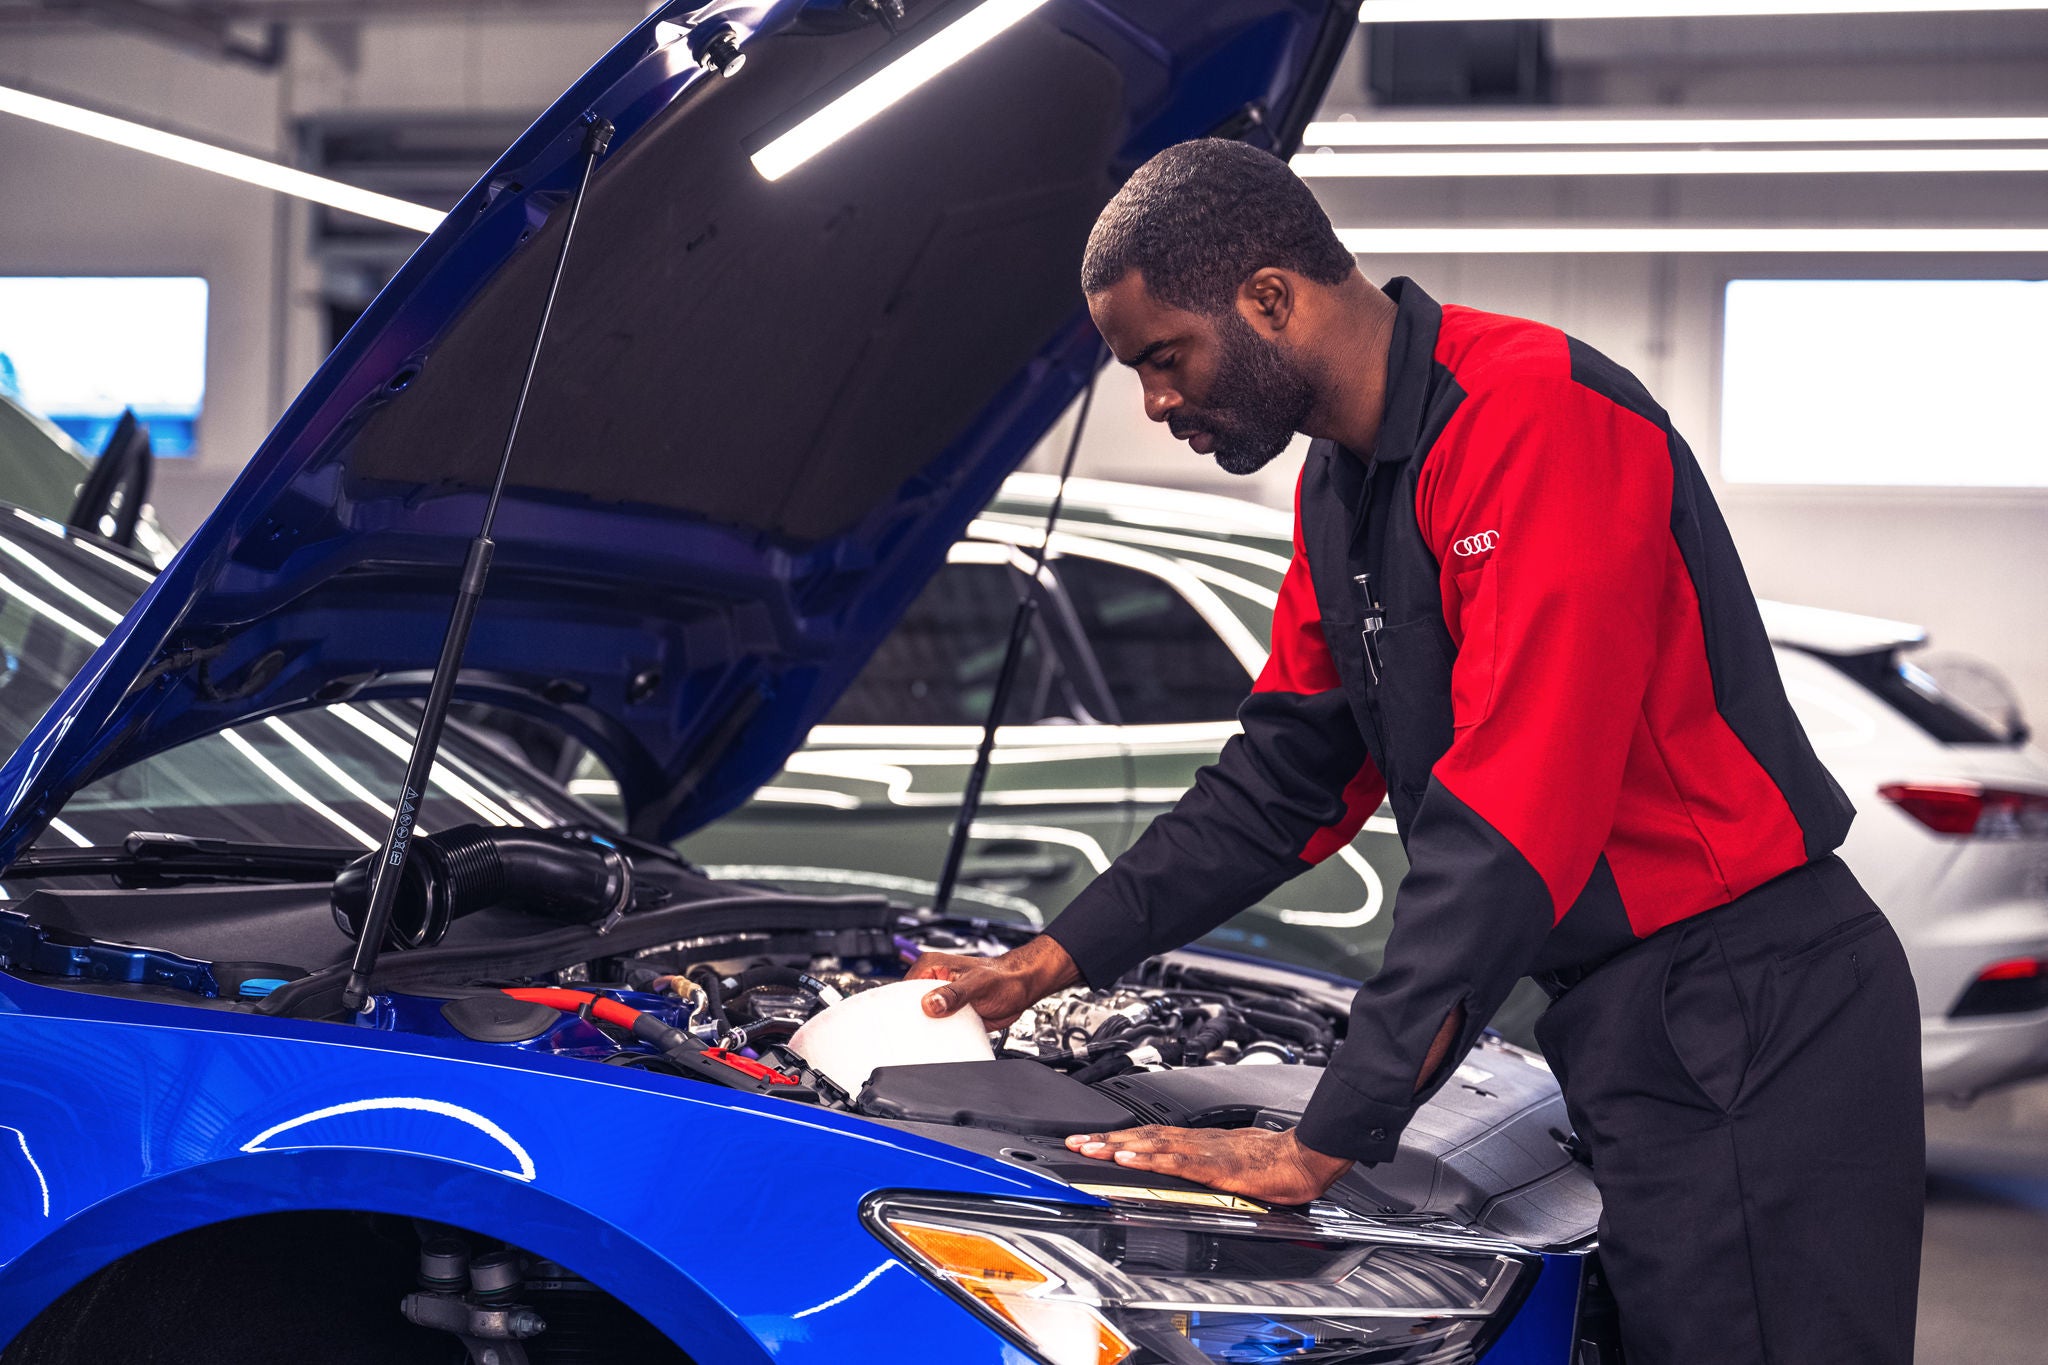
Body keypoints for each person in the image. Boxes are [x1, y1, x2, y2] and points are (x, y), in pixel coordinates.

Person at [906, 138, 1924, 1363]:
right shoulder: (1338, 489)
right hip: (1628, 1019)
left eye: (1161, 359)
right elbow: (1284, 774)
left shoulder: (1535, 411)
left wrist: (1324, 1137)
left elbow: (1513, 818)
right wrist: (1050, 960)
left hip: (1751, 1010)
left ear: (1269, 298)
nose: (1155, 404)